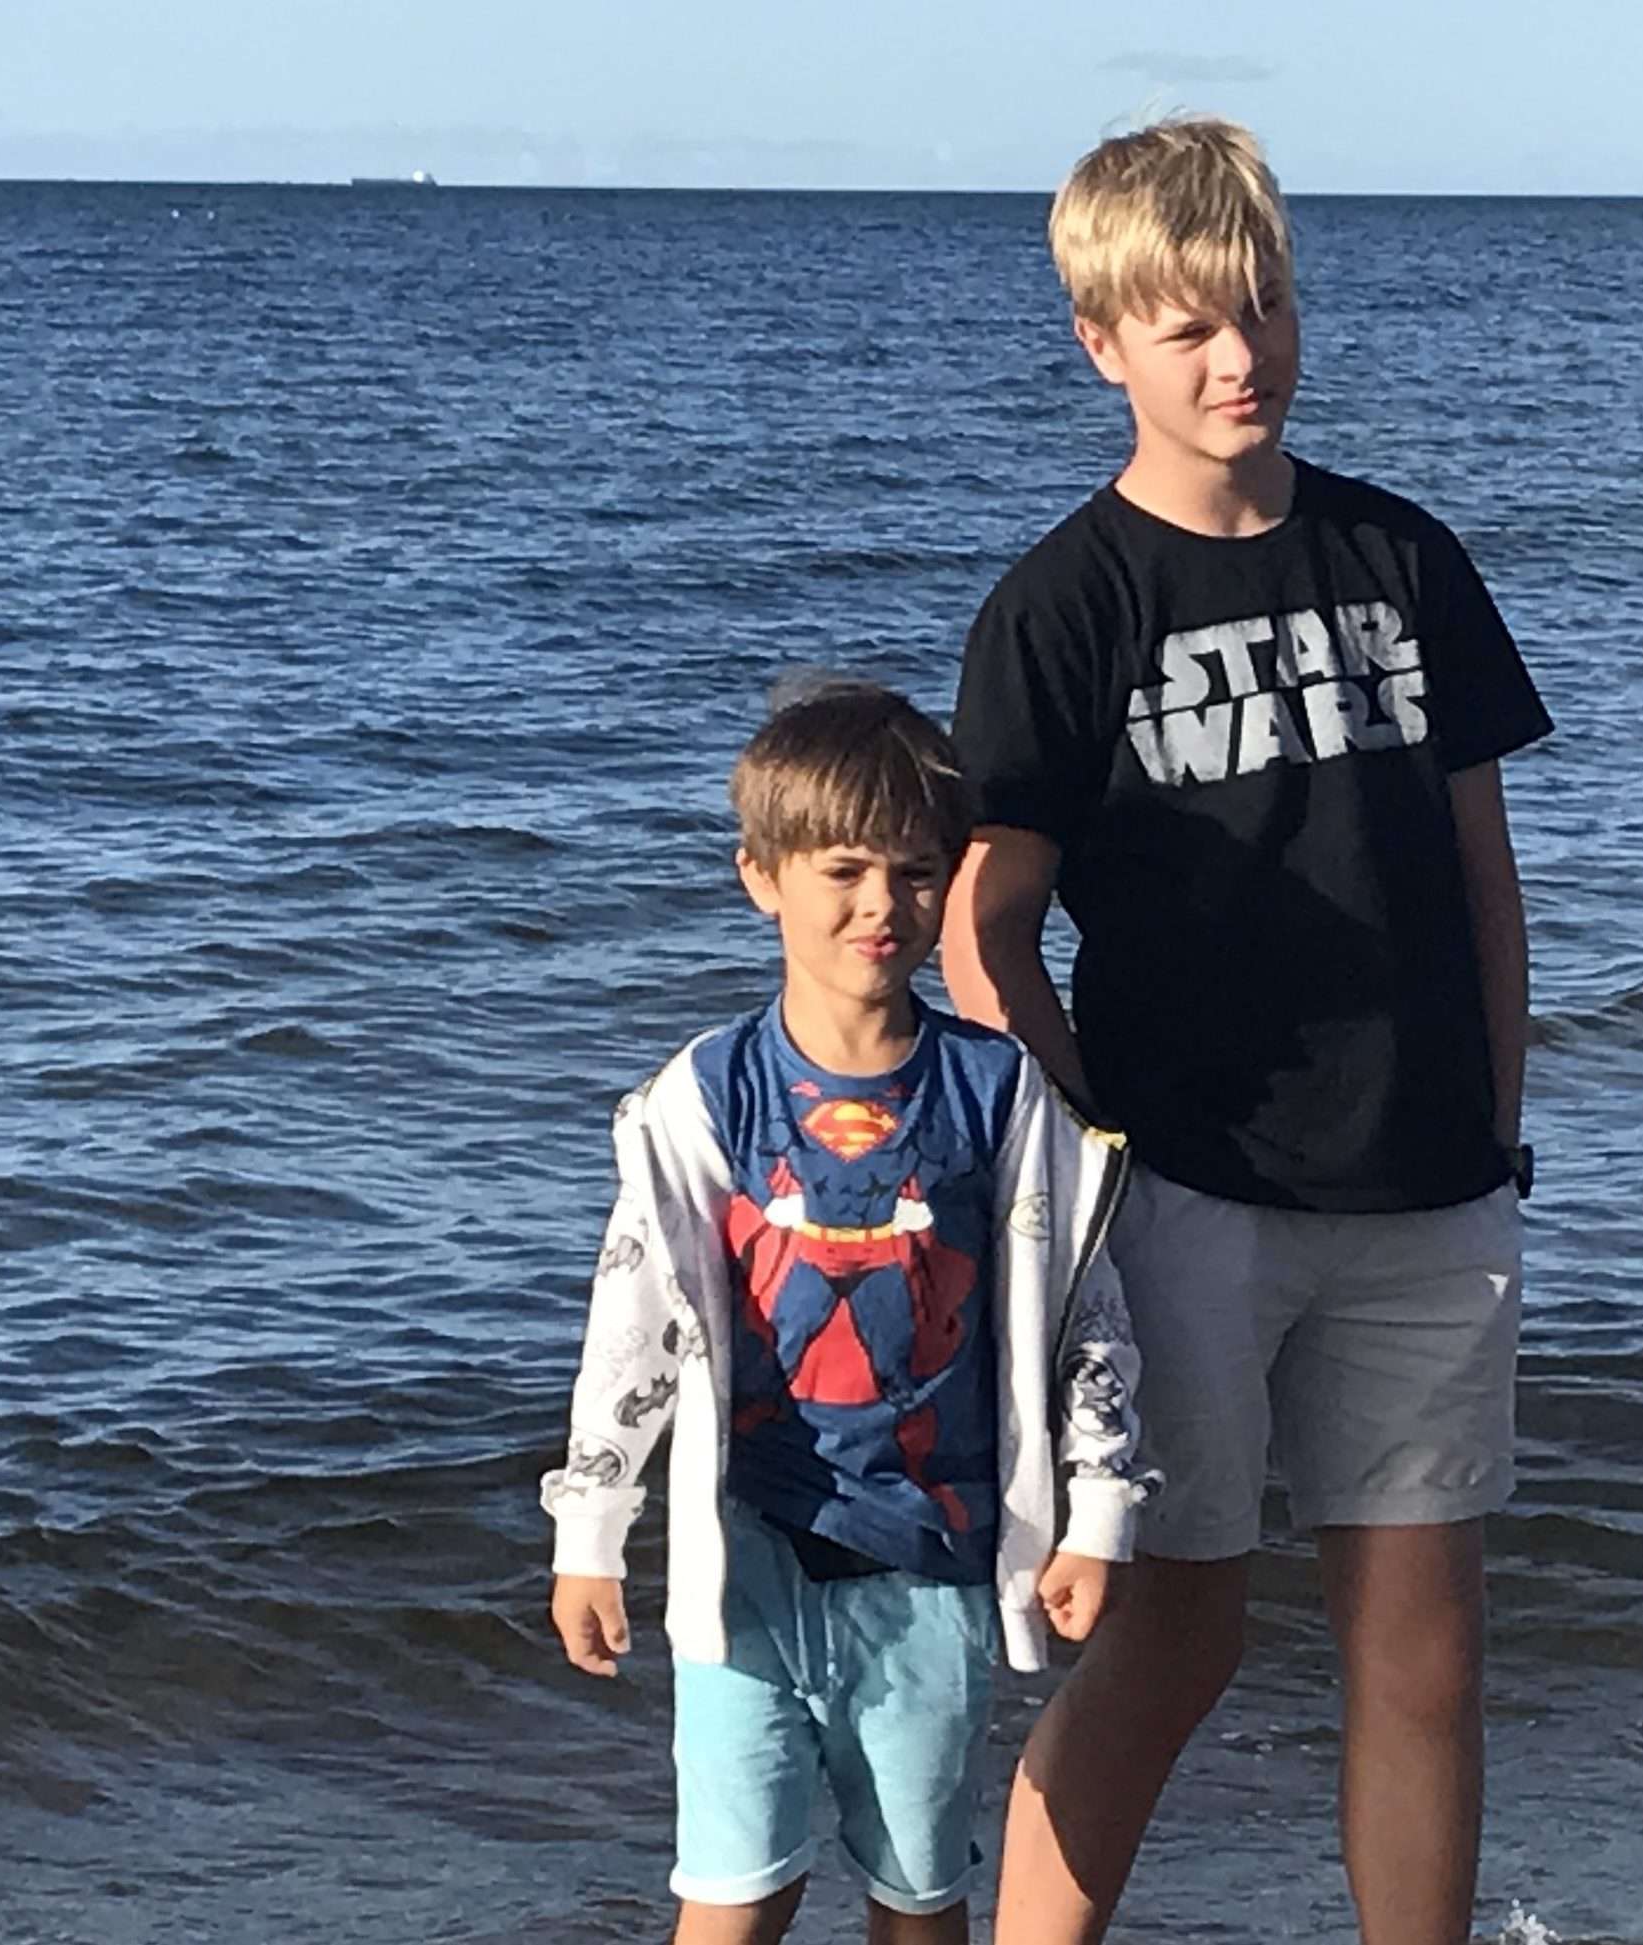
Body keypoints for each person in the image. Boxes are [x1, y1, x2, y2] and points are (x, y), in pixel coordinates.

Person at [943, 114, 1551, 1945]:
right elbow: (984, 929)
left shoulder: (1400, 556)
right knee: (1169, 1635)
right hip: (1186, 1197)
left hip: (1430, 1186)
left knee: (1424, 1649)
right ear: (1102, 343)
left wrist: (1497, 1126)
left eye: (1266, 306)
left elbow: (1483, 875)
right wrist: (1083, 1165)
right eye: (1193, 324)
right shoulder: (1068, 604)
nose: (1241, 355)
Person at [541, 678, 1151, 1945]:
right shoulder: (706, 1093)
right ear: (761, 877)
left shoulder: (995, 1089)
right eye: (844, 870)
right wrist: (590, 1529)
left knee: (917, 1898)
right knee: (734, 1894)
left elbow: (1082, 1311)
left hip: (931, 1563)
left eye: (916, 873)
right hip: (748, 1559)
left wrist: (1095, 1511)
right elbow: (634, 1317)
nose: (882, 904)